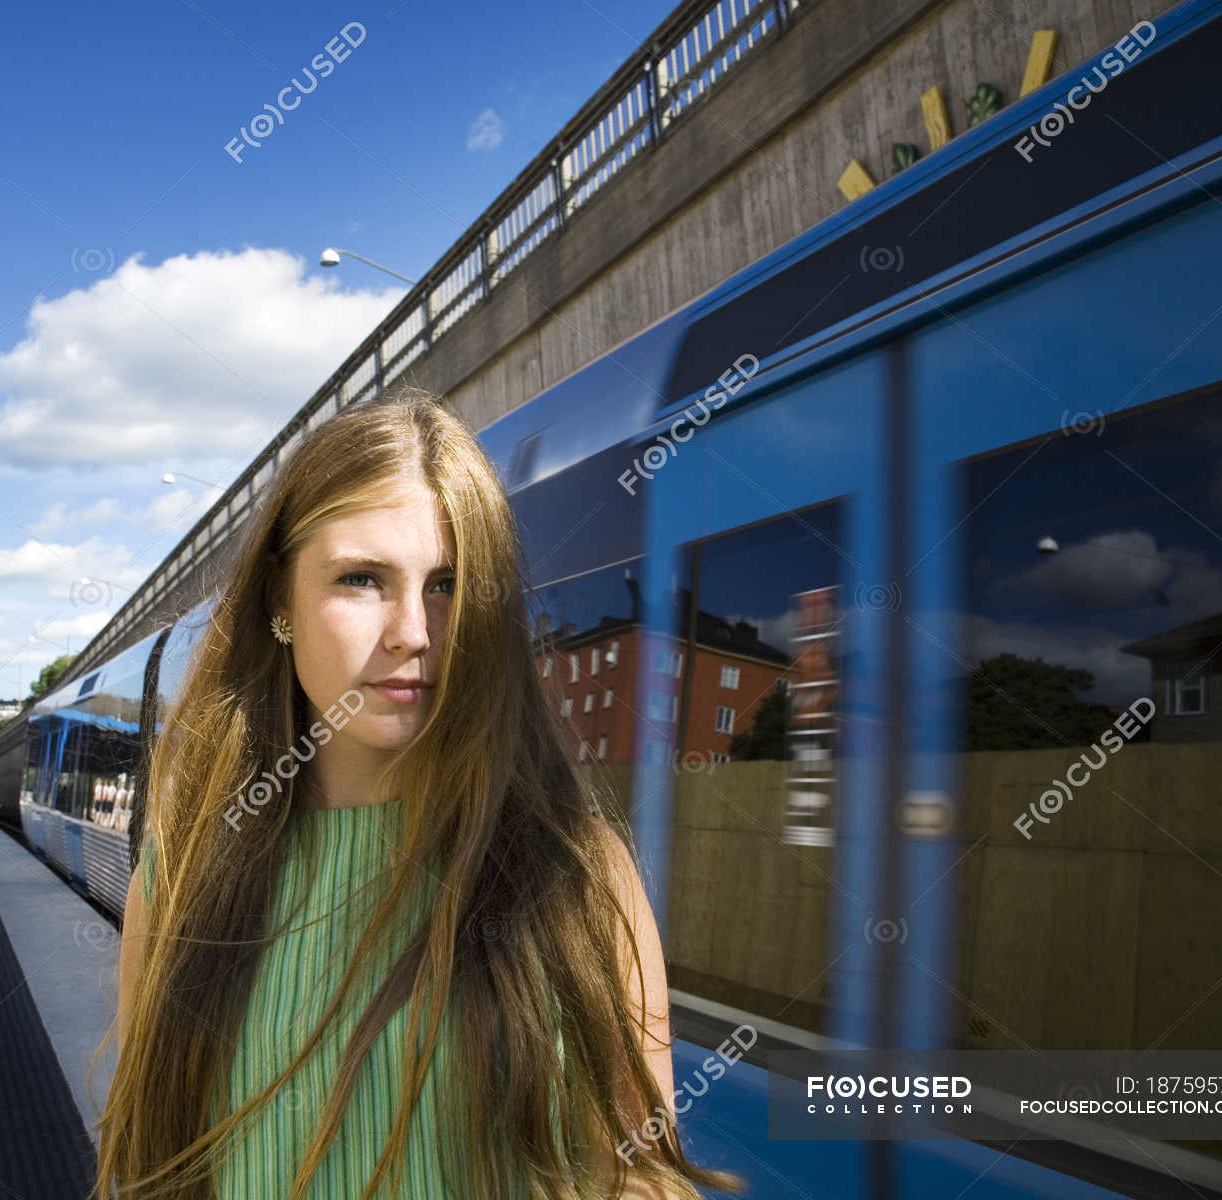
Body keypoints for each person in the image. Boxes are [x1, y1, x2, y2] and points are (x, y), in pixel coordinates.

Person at [97, 389, 742, 1200]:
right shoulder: (185, 873)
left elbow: (639, 1177)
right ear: (278, 603)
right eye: (361, 578)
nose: (413, 630)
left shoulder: (579, 872)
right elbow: (157, 1169)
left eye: (448, 584)